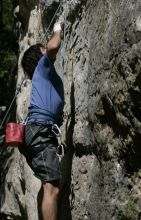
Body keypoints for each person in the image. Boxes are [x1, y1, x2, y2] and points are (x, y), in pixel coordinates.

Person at [21, 21, 64, 220]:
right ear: (41, 52)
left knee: (46, 184)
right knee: (52, 187)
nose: (46, 48)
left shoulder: (42, 75)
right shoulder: (42, 66)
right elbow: (54, 45)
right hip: (40, 131)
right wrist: (57, 29)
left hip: (36, 133)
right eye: (43, 48)